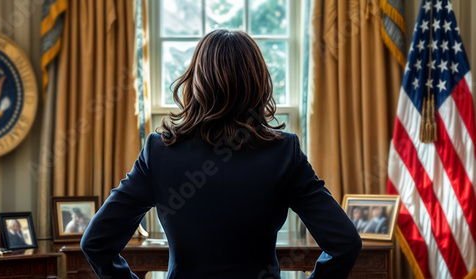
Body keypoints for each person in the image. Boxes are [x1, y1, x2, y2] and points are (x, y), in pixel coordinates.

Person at [81, 29, 361, 278]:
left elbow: (95, 242)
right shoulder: (284, 152)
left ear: (195, 81)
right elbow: (345, 244)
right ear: (258, 83)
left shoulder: (158, 152)